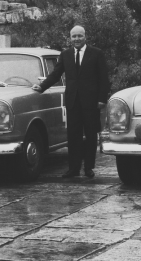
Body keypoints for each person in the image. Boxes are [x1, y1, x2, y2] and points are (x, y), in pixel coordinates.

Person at [32, 26, 110, 178]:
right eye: (74, 36)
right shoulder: (65, 54)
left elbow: (104, 79)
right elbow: (55, 74)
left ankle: (88, 168)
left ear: (85, 36)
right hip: (73, 102)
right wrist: (41, 87)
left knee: (90, 135)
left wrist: (102, 99)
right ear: (70, 38)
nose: (77, 39)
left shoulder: (97, 53)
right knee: (73, 136)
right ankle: (73, 169)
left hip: (91, 103)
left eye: (79, 36)